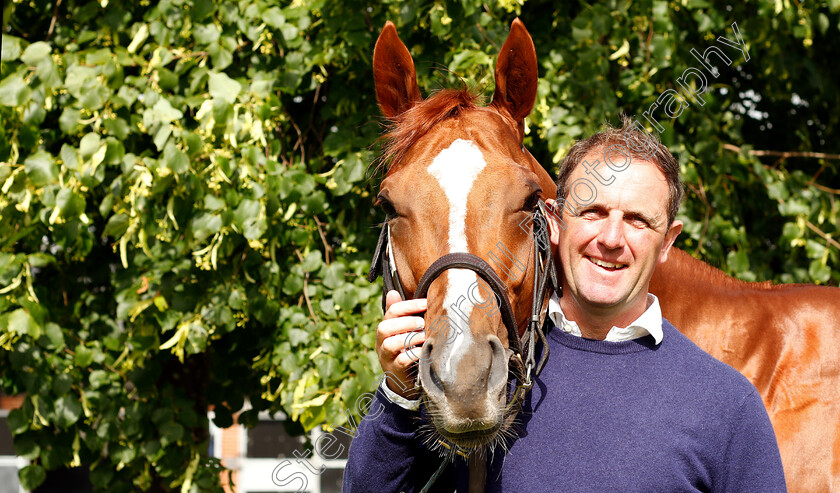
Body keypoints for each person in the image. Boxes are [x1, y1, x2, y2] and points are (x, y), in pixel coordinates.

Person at [343, 119, 786, 492]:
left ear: (668, 242)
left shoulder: (727, 404)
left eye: (637, 220)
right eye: (592, 212)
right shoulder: (483, 372)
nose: (611, 239)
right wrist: (399, 396)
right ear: (553, 222)